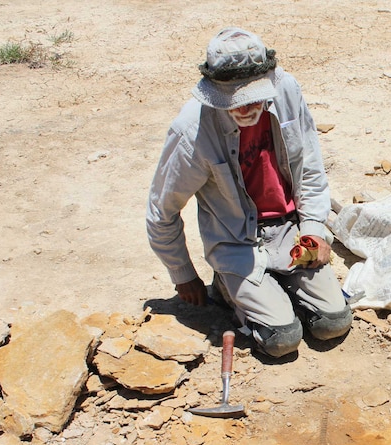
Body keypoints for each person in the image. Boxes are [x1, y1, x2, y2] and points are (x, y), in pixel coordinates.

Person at [147, 27, 352, 358]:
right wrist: (183, 274)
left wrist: (313, 230)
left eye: (253, 96)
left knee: (333, 322)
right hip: (236, 242)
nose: (245, 107)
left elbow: (310, 168)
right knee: (282, 340)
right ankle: (230, 286)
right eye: (233, 100)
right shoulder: (191, 130)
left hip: (290, 231)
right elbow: (162, 211)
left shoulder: (286, 90)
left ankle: (278, 286)